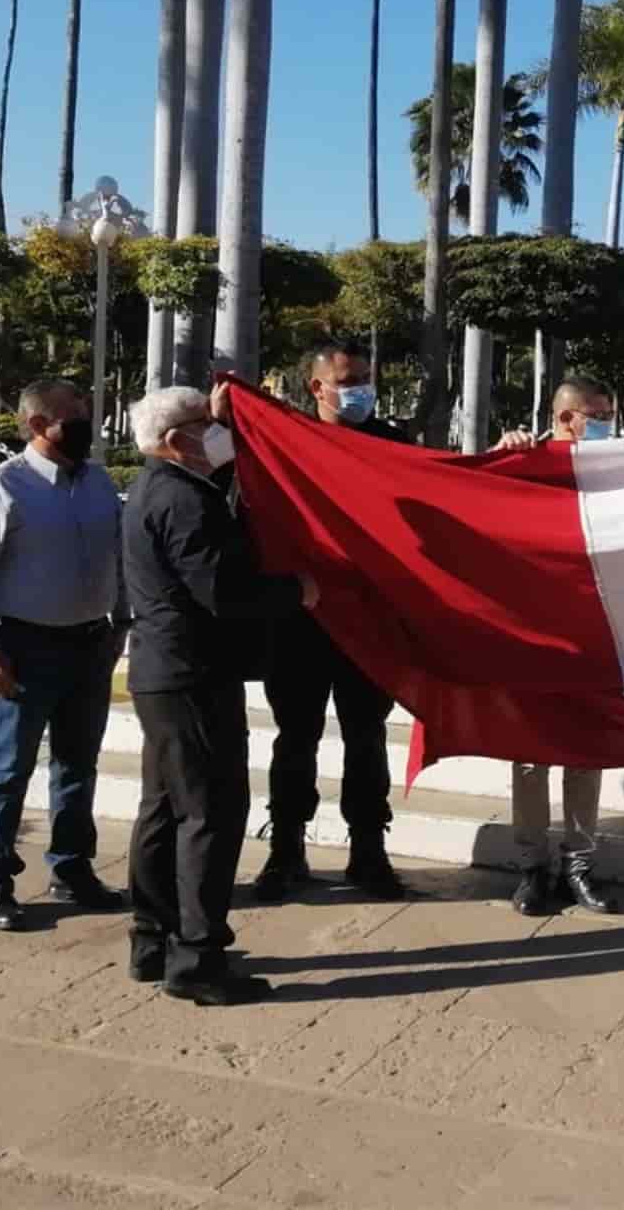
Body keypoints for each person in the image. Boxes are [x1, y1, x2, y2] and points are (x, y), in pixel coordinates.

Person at [123, 384, 315, 1006]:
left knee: (163, 810)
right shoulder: (184, 500)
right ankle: (199, 959)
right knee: (211, 813)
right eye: (206, 424)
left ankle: (152, 939)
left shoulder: (155, 487)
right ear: (176, 440)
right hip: (194, 675)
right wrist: (298, 592)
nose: (217, 432)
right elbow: (224, 594)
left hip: (162, 673)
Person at [0, 379, 128, 931]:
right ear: (38, 425)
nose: (86, 424)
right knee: (8, 771)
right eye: (74, 417)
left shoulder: (98, 482)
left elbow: (118, 560)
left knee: (77, 766)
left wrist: (121, 623)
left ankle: (72, 869)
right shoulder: (2, 489)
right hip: (24, 649)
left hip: (90, 645)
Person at [255, 342, 414, 903]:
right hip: (300, 621)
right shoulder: (287, 442)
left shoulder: (394, 444)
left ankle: (368, 849)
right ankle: (286, 849)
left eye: (366, 377)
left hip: (370, 622)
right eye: (348, 380)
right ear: (317, 387)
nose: (361, 389)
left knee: (366, 737)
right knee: (295, 739)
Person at [493, 377, 621, 916]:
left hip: (593, 631)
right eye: (598, 415)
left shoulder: (614, 471)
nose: (608, 425)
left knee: (584, 754)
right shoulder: (526, 462)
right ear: (567, 418)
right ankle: (532, 866)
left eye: (610, 414)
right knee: (530, 757)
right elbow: (475, 500)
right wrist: (501, 454)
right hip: (533, 634)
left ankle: (578, 865)